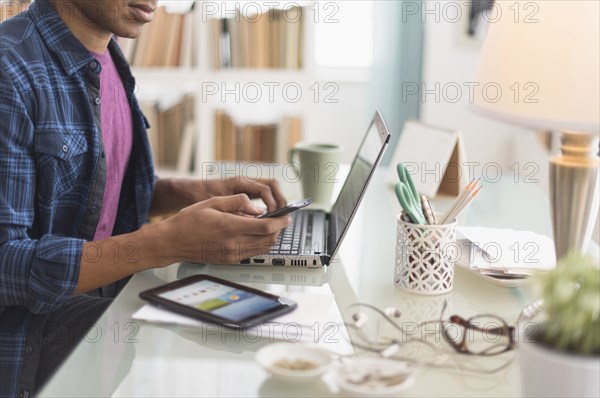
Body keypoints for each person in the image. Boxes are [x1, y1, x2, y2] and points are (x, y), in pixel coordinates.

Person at [0, 0, 291, 396]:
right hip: (36, 361)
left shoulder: (108, 54)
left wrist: (197, 192)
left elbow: (99, 194)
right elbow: (6, 264)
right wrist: (165, 242)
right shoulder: (9, 69)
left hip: (109, 328)